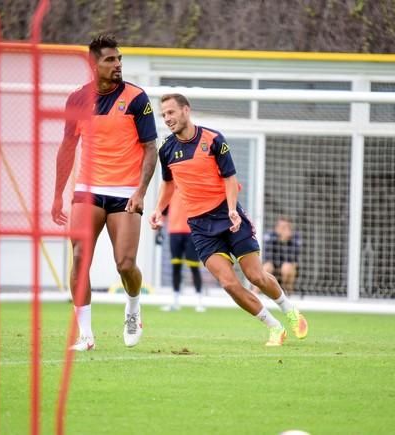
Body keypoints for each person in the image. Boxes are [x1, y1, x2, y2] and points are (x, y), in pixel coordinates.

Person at [149, 94, 308, 346]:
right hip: (200, 227)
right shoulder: (166, 149)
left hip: (228, 215)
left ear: (186, 111)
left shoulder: (213, 139)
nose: (167, 118)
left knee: (256, 276)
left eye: (171, 112)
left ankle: (289, 310)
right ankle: (274, 327)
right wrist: (159, 209)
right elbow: (169, 183)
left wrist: (233, 209)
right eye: (164, 114)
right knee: (228, 283)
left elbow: (229, 178)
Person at [51, 34, 158, 351]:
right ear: (92, 64)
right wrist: (57, 194)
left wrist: (140, 191)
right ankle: (85, 335)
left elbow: (151, 149)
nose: (118, 65)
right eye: (110, 59)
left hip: (126, 191)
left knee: (125, 264)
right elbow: (67, 148)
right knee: (80, 259)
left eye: (120, 59)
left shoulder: (137, 98)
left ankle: (133, 307)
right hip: (86, 190)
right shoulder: (77, 100)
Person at [160, 187, 205, 312]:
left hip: (191, 232)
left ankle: (199, 300)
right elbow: (163, 210)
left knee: (194, 266)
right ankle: (175, 301)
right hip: (174, 232)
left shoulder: (192, 186)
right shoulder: (170, 188)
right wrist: (159, 229)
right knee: (176, 267)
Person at [262, 216, 301, 295]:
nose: (285, 230)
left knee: (286, 267)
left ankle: (285, 293)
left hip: (288, 268)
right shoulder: (271, 237)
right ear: (277, 228)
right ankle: (256, 293)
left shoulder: (294, 238)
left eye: (287, 227)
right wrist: (279, 240)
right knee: (267, 267)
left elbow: (292, 258)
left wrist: (285, 241)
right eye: (282, 227)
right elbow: (267, 256)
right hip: (273, 266)